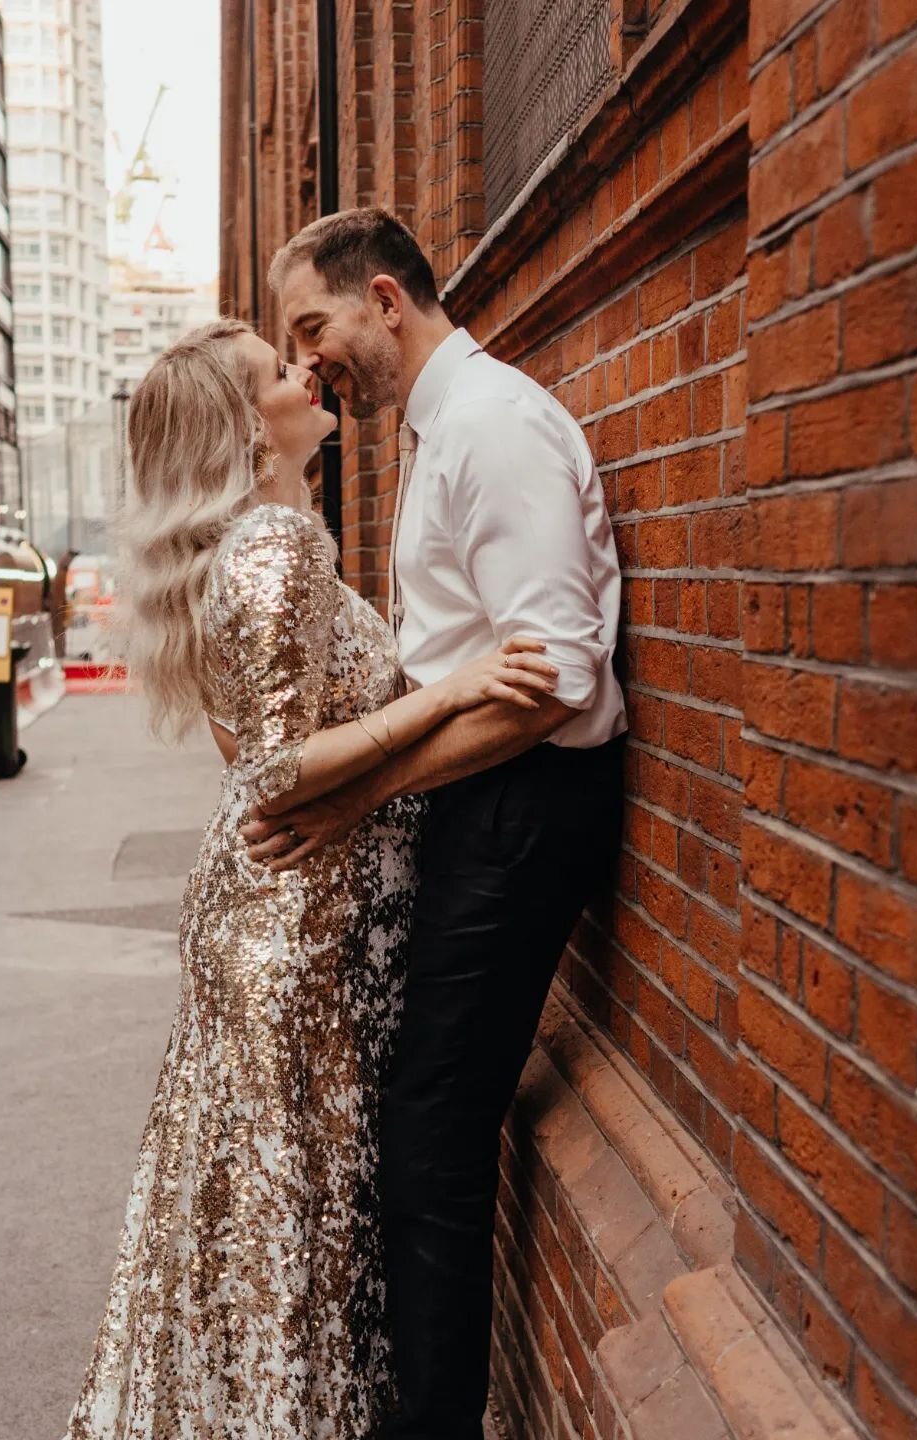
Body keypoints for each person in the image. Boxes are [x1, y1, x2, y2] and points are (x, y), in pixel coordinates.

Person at [64, 318, 557, 1438]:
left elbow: (245, 752)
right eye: (277, 371)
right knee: (298, 1222)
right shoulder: (276, 549)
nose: (306, 372)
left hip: (273, 918)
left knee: (254, 1208)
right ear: (248, 426)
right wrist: (449, 691)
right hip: (301, 931)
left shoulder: (252, 546)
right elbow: (280, 769)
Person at [242, 208, 627, 1440]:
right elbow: (468, 659)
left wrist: (356, 791)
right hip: (475, 803)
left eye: (316, 327)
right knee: (421, 1135)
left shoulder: (495, 425)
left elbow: (556, 681)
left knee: (429, 1147)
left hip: (527, 806)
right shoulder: (437, 428)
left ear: (387, 302)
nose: (310, 362)